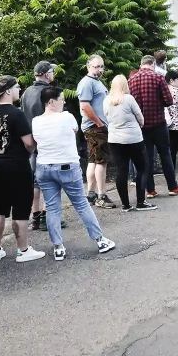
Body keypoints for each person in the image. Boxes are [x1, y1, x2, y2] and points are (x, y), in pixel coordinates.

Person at [32, 87, 117, 260]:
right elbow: (74, 131)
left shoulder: (35, 121)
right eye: (61, 99)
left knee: (52, 207)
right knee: (81, 204)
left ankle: (58, 248)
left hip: (44, 167)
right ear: (51, 102)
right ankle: (100, 240)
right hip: (66, 166)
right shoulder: (67, 117)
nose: (63, 102)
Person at [0, 76, 46, 264]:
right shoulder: (17, 114)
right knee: (20, 207)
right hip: (17, 165)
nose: (19, 90)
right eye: (17, 87)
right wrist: (29, 150)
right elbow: (29, 143)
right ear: (8, 90)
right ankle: (23, 250)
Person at [129, 55, 178, 196]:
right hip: (158, 122)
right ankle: (172, 187)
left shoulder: (131, 80)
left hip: (141, 125)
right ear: (153, 64)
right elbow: (168, 100)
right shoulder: (158, 78)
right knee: (165, 155)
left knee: (147, 157)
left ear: (141, 64)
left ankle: (150, 190)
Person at [104, 75, 156, 212]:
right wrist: (139, 124)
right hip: (133, 139)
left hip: (114, 140)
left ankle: (125, 205)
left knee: (121, 170)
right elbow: (140, 117)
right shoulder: (129, 99)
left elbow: (106, 118)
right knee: (142, 168)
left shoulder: (106, 100)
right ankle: (140, 201)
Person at [20, 61, 57, 231]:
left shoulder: (26, 92)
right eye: (52, 71)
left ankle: (36, 216)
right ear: (45, 74)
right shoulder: (48, 92)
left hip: (30, 141)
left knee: (35, 181)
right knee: (49, 181)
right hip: (46, 140)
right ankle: (47, 217)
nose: (53, 74)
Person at [77, 55, 116, 209]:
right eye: (96, 67)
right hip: (94, 127)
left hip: (96, 127)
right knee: (101, 161)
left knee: (94, 160)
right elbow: (85, 106)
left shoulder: (96, 82)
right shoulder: (87, 83)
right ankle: (101, 195)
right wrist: (99, 123)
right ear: (88, 67)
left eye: (101, 66)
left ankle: (91, 194)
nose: (99, 69)